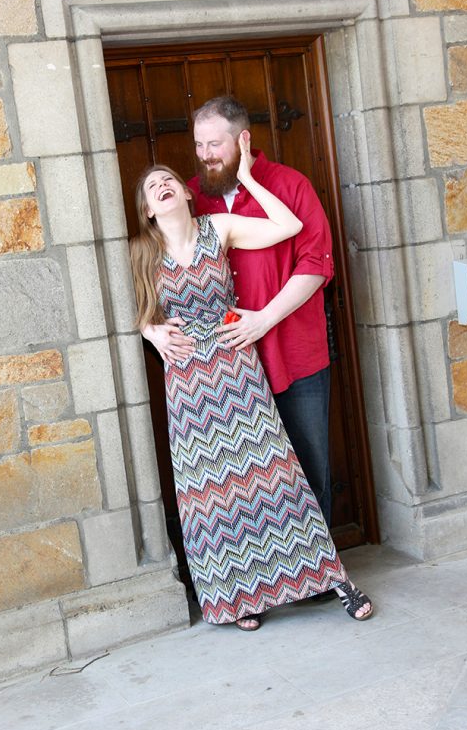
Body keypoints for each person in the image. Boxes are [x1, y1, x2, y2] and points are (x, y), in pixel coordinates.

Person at [130, 141, 373, 631]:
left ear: (186, 193)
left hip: (236, 367)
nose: (163, 186)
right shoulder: (141, 254)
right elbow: (132, 313)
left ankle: (334, 578)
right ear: (148, 211)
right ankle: (238, 597)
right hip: (188, 385)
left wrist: (251, 180)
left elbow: (289, 227)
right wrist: (150, 331)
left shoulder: (218, 228)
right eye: (153, 188)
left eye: (169, 180)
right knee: (213, 492)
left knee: (273, 475)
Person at [145, 96, 335, 532]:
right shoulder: (189, 199)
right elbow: (146, 277)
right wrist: (150, 328)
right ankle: (264, 577)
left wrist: (264, 318)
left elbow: (316, 262)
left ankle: (321, 577)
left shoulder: (290, 186)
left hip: (293, 354)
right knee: (245, 480)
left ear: (243, 140)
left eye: (215, 144)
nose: (206, 155)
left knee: (307, 469)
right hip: (228, 372)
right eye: (199, 145)